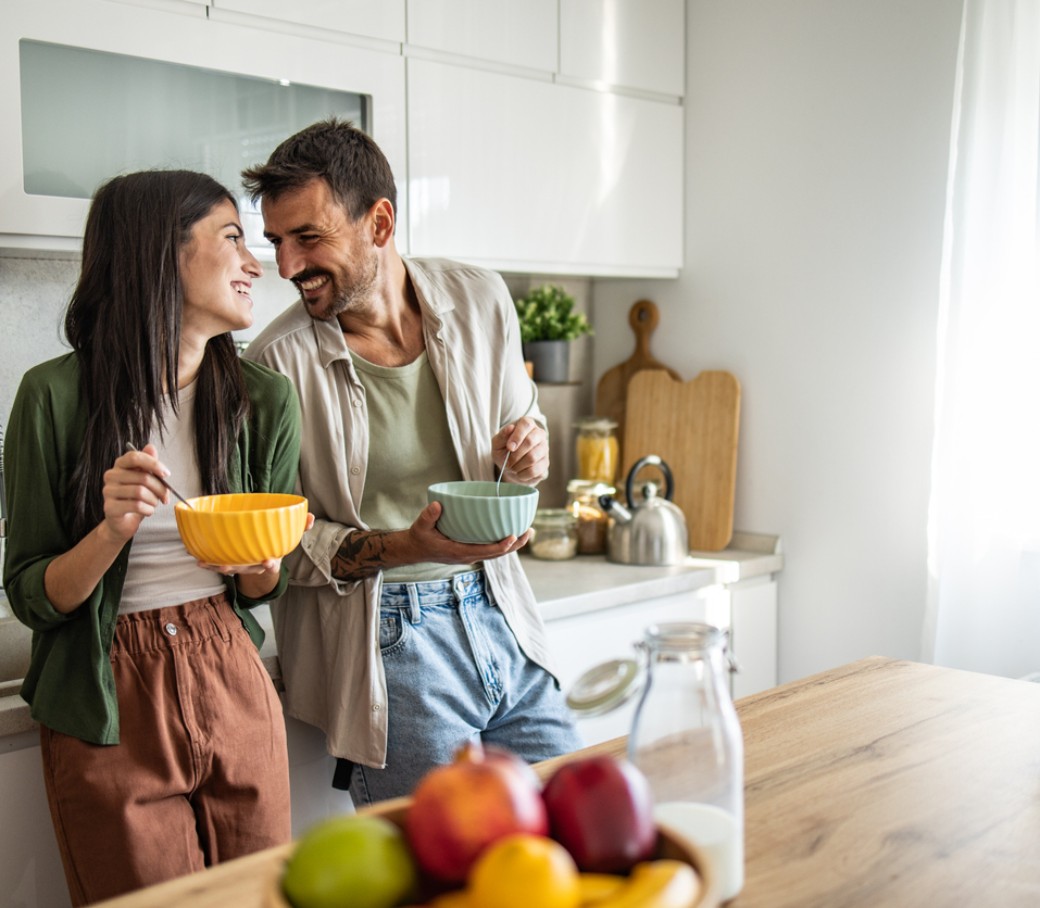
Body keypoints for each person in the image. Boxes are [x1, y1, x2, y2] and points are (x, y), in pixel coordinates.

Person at [242, 117, 582, 805]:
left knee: (574, 825)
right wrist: (406, 546)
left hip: (503, 608)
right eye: (276, 242)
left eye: (308, 237)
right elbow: (273, 543)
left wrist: (528, 451)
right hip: (386, 641)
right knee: (443, 859)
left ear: (380, 222)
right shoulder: (275, 364)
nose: (286, 267)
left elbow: (524, 437)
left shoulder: (480, 299)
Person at [2, 170, 304, 906]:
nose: (256, 263)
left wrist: (264, 566)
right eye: (232, 237)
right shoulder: (52, 397)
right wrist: (111, 531)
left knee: (263, 898)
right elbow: (31, 595)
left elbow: (260, 590)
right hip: (105, 690)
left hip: (230, 670)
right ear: (160, 252)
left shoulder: (264, 401)